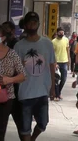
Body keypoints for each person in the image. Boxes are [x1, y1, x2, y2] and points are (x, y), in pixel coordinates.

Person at [14, 12, 56, 141]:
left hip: (42, 91)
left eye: (34, 22)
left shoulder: (47, 43)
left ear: (38, 24)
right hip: (25, 92)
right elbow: (14, 69)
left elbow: (51, 65)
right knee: (25, 127)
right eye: (29, 22)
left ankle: (33, 139)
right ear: (25, 25)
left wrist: (53, 87)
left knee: (43, 123)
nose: (32, 25)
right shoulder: (19, 46)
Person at [52, 27, 70, 100]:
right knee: (56, 79)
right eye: (60, 32)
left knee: (64, 79)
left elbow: (67, 50)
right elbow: (52, 53)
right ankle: (56, 95)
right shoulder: (53, 41)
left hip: (64, 61)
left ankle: (58, 92)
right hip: (57, 62)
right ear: (57, 33)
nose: (61, 34)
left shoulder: (66, 40)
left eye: (62, 32)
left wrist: (69, 60)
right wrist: (54, 63)